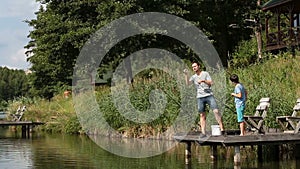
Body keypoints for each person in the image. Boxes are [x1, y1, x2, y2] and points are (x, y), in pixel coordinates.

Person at [184, 62, 225, 136]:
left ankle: (222, 129)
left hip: (209, 95)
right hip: (200, 97)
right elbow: (188, 84)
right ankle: (203, 132)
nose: (194, 68)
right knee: (202, 115)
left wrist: (203, 81)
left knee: (216, 111)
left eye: (195, 66)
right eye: (193, 67)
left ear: (199, 66)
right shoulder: (193, 77)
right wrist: (186, 75)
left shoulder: (205, 73)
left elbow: (211, 83)